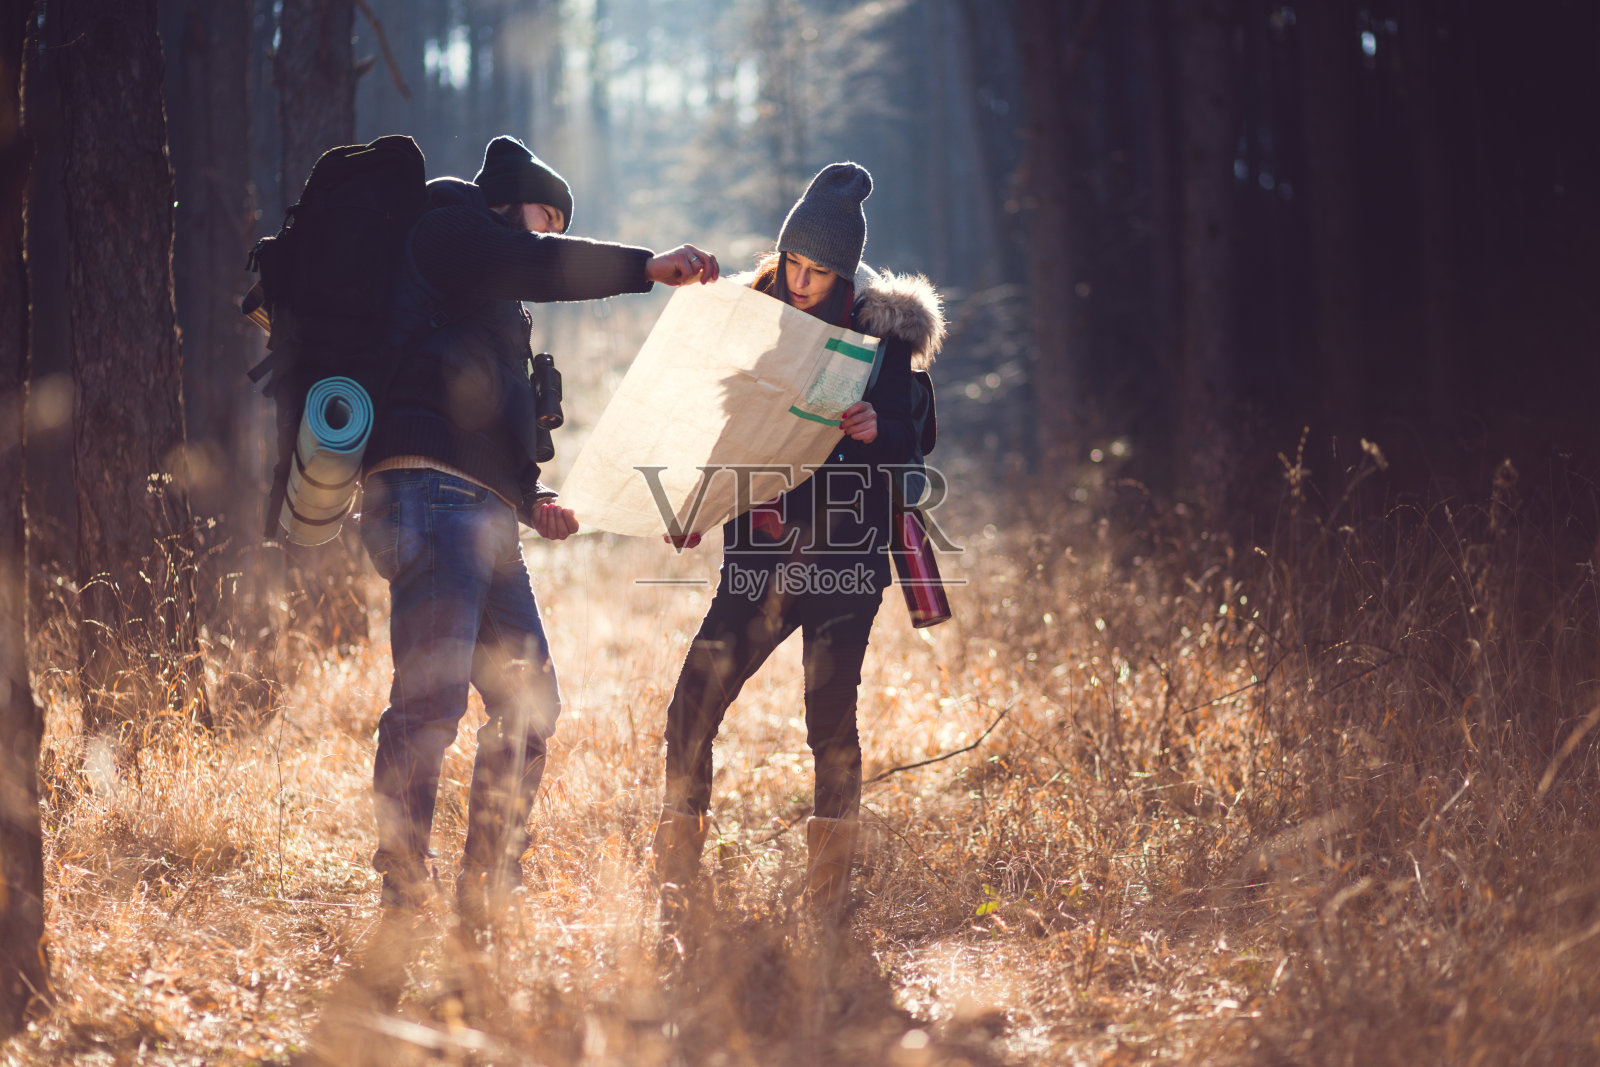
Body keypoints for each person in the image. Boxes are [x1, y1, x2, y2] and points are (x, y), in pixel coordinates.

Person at [358, 135, 719, 926]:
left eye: (558, 223)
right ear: (506, 200)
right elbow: (533, 264)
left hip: (480, 508)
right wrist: (644, 266)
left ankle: (486, 881)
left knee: (530, 703)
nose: (548, 233)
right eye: (545, 216)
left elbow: (482, 417)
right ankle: (402, 887)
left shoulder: (489, 300)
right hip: (425, 490)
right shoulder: (447, 231)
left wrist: (531, 498)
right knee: (434, 698)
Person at [648, 162, 944, 926]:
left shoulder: (883, 332)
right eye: (794, 265)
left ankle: (828, 899)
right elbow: (726, 428)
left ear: (843, 270)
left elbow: (914, 444)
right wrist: (696, 501)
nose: (803, 281)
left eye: (818, 270)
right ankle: (677, 880)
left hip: (848, 559)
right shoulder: (755, 317)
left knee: (829, 722)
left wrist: (880, 430)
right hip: (759, 555)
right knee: (692, 704)